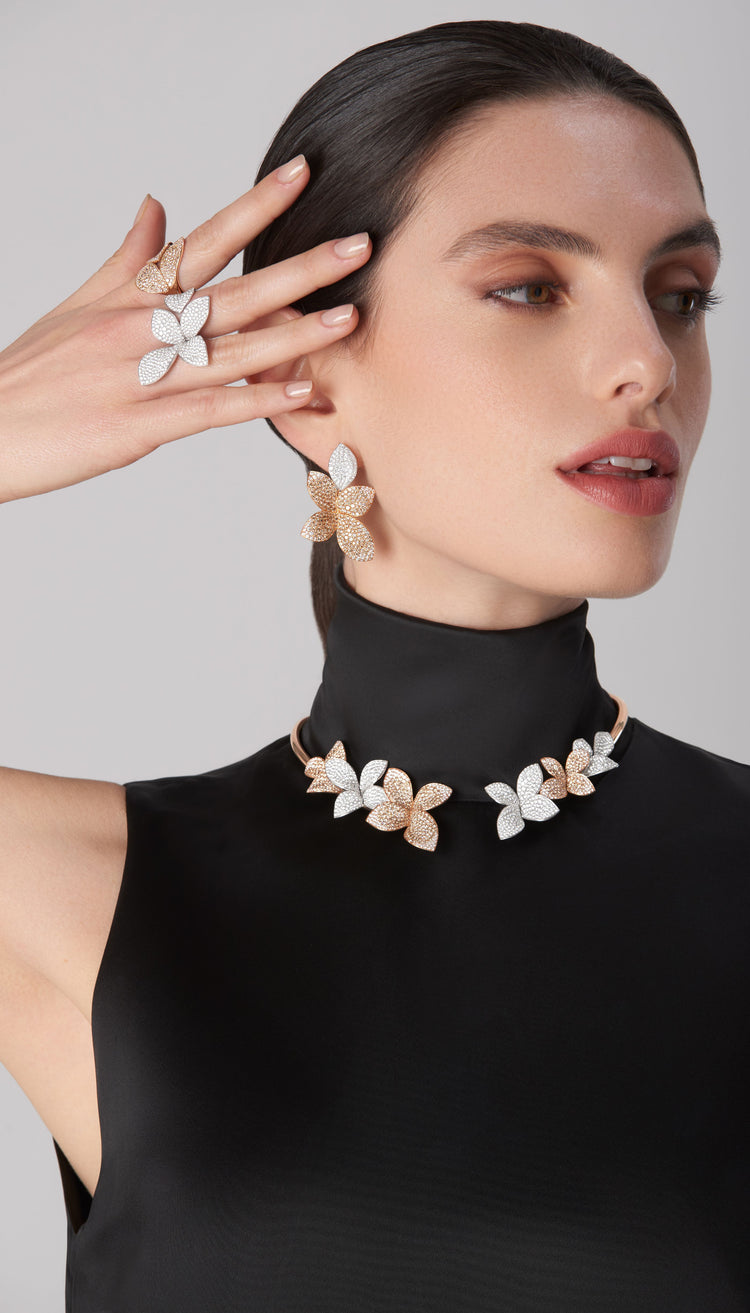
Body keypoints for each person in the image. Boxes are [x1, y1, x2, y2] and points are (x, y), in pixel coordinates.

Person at [0, 17, 747, 1312]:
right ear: (305, 370)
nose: (646, 365)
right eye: (530, 286)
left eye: (679, 296)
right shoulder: (78, 895)